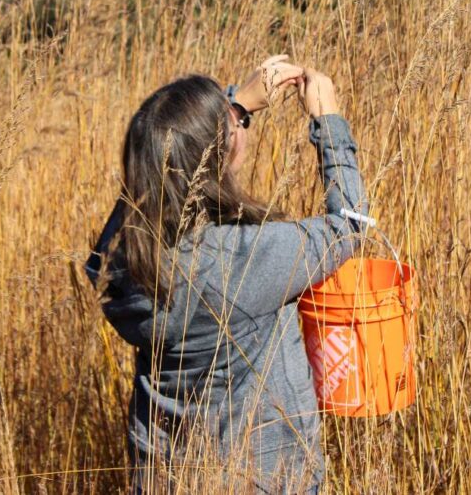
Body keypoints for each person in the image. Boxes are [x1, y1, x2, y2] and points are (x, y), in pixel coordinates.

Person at [84, 55, 369, 494]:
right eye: (231, 132)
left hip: (167, 476)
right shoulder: (241, 260)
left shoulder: (121, 267)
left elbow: (129, 212)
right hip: (266, 477)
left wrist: (233, 112)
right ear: (225, 154)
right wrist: (328, 121)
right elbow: (349, 225)